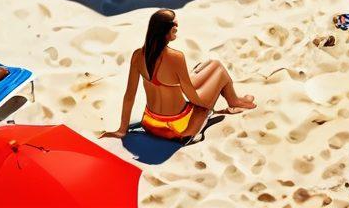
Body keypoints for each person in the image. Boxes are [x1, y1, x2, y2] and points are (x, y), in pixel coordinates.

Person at [101, 8, 255, 141]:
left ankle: (234, 100)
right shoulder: (175, 57)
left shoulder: (138, 56)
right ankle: (234, 102)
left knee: (210, 65)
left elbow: (129, 95)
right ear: (164, 30)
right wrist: (209, 104)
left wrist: (122, 129)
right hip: (177, 128)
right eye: (174, 24)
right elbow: (192, 96)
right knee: (219, 71)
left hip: (150, 123)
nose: (177, 26)